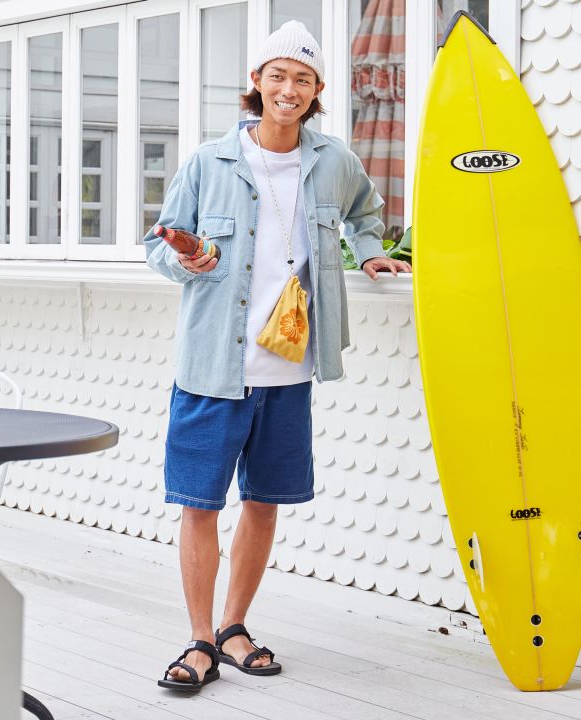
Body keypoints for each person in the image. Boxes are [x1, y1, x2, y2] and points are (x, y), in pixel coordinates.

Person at [144, 20, 411, 694]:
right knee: (199, 505)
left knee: (264, 502)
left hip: (289, 371)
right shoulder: (208, 162)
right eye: (278, 75)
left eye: (302, 79)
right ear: (257, 83)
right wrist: (188, 261)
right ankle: (199, 641)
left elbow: (366, 212)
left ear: (317, 90)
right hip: (212, 368)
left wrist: (371, 251)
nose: (288, 89)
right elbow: (157, 245)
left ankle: (234, 628)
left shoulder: (335, 161)